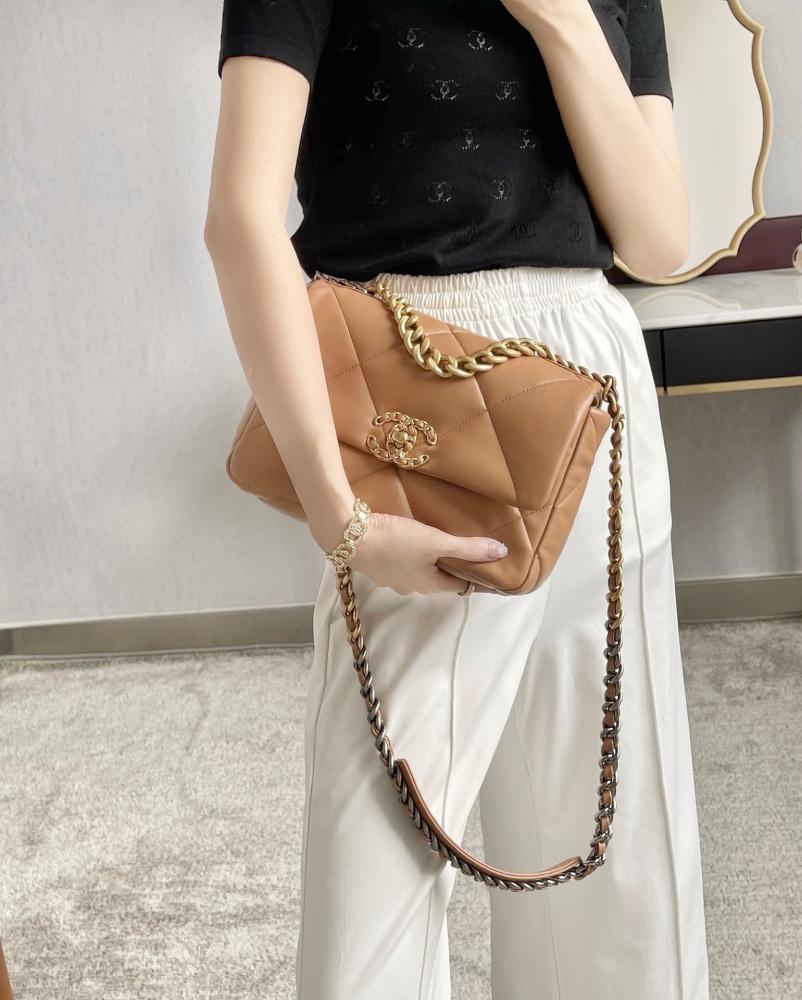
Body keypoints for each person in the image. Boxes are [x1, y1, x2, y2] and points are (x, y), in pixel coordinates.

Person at [205, 1, 711, 997]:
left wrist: (562, 20)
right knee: (376, 871)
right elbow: (238, 219)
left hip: (594, 391)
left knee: (616, 849)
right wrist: (340, 517)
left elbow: (657, 241)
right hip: (418, 383)